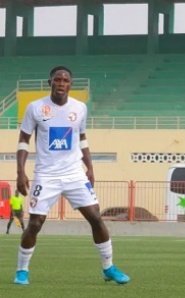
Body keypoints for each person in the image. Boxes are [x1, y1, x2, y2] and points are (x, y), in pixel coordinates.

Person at [14, 66, 130, 285]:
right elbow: (23, 140)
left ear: (70, 84)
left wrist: (90, 167)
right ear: (50, 83)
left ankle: (108, 268)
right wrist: (20, 172)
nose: (61, 83)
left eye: (65, 80)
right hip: (46, 175)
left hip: (74, 173)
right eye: (57, 79)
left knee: (95, 217)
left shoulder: (80, 108)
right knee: (35, 223)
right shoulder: (35, 108)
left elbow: (82, 138)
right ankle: (22, 270)